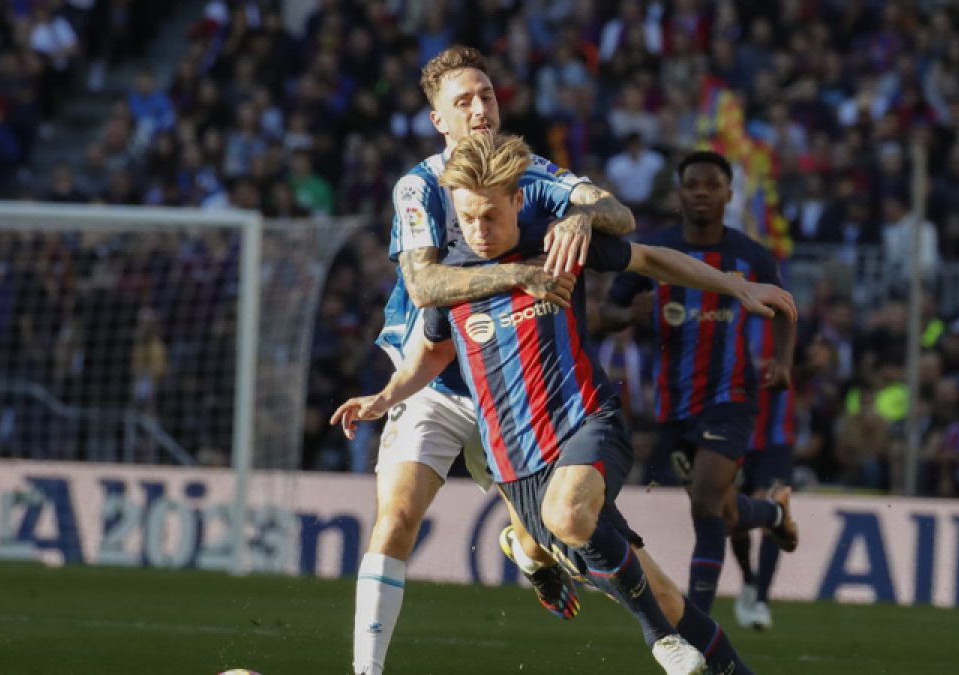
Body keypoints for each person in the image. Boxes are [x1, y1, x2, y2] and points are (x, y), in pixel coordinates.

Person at [336, 133, 797, 675]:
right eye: (465, 218)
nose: (478, 231)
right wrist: (384, 397)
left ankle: (659, 644)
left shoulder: (555, 241)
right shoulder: (450, 278)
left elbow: (647, 258)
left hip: (585, 422)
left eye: (490, 215)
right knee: (668, 598)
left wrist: (733, 286)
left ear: (516, 199)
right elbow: (432, 354)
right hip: (516, 465)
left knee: (569, 515)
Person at [353, 46, 639, 675]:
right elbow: (426, 286)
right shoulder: (418, 185)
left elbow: (621, 213)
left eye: (486, 95)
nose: (481, 108)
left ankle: (529, 553)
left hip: (508, 382)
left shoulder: (528, 169)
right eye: (463, 101)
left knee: (543, 537)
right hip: (430, 373)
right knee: (396, 518)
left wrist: (582, 220)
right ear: (437, 120)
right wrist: (522, 276)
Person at [604, 151, 800, 615]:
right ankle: (772, 512)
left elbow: (786, 306)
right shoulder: (654, 251)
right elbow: (606, 311)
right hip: (673, 405)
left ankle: (698, 628)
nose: (701, 193)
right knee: (722, 509)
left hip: (730, 395)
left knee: (707, 503)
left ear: (729, 194)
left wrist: (783, 360)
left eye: (712, 185)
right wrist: (626, 315)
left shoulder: (748, 256)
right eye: (692, 185)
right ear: (680, 194)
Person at [729, 311, 796, 630]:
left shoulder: (792, 321)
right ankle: (750, 580)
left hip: (775, 440)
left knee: (772, 512)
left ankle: (761, 600)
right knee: (735, 520)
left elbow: (810, 364)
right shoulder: (730, 314)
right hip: (737, 432)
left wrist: (814, 364)